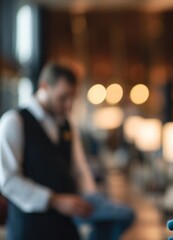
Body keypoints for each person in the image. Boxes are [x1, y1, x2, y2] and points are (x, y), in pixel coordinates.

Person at [0, 62, 133, 240]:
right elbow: (8, 181)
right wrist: (55, 201)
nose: (68, 105)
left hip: (65, 227)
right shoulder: (14, 122)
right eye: (63, 97)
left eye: (72, 98)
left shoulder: (68, 124)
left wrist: (92, 201)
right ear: (44, 87)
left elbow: (79, 169)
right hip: (29, 229)